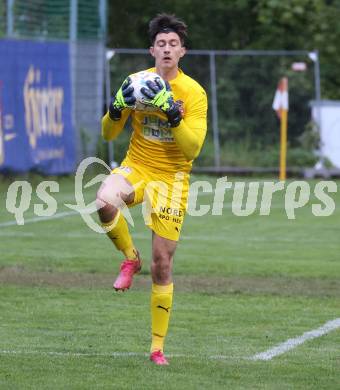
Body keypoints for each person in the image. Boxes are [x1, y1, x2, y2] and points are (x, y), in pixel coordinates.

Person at [96, 13, 207, 365]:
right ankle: (130, 259)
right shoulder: (136, 83)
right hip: (138, 166)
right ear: (152, 50)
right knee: (103, 201)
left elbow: (192, 150)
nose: (167, 49)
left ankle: (156, 347)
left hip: (172, 179)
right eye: (161, 44)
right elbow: (108, 135)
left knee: (163, 263)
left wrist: (172, 115)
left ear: (183, 52)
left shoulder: (193, 93)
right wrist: (115, 109)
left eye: (174, 44)